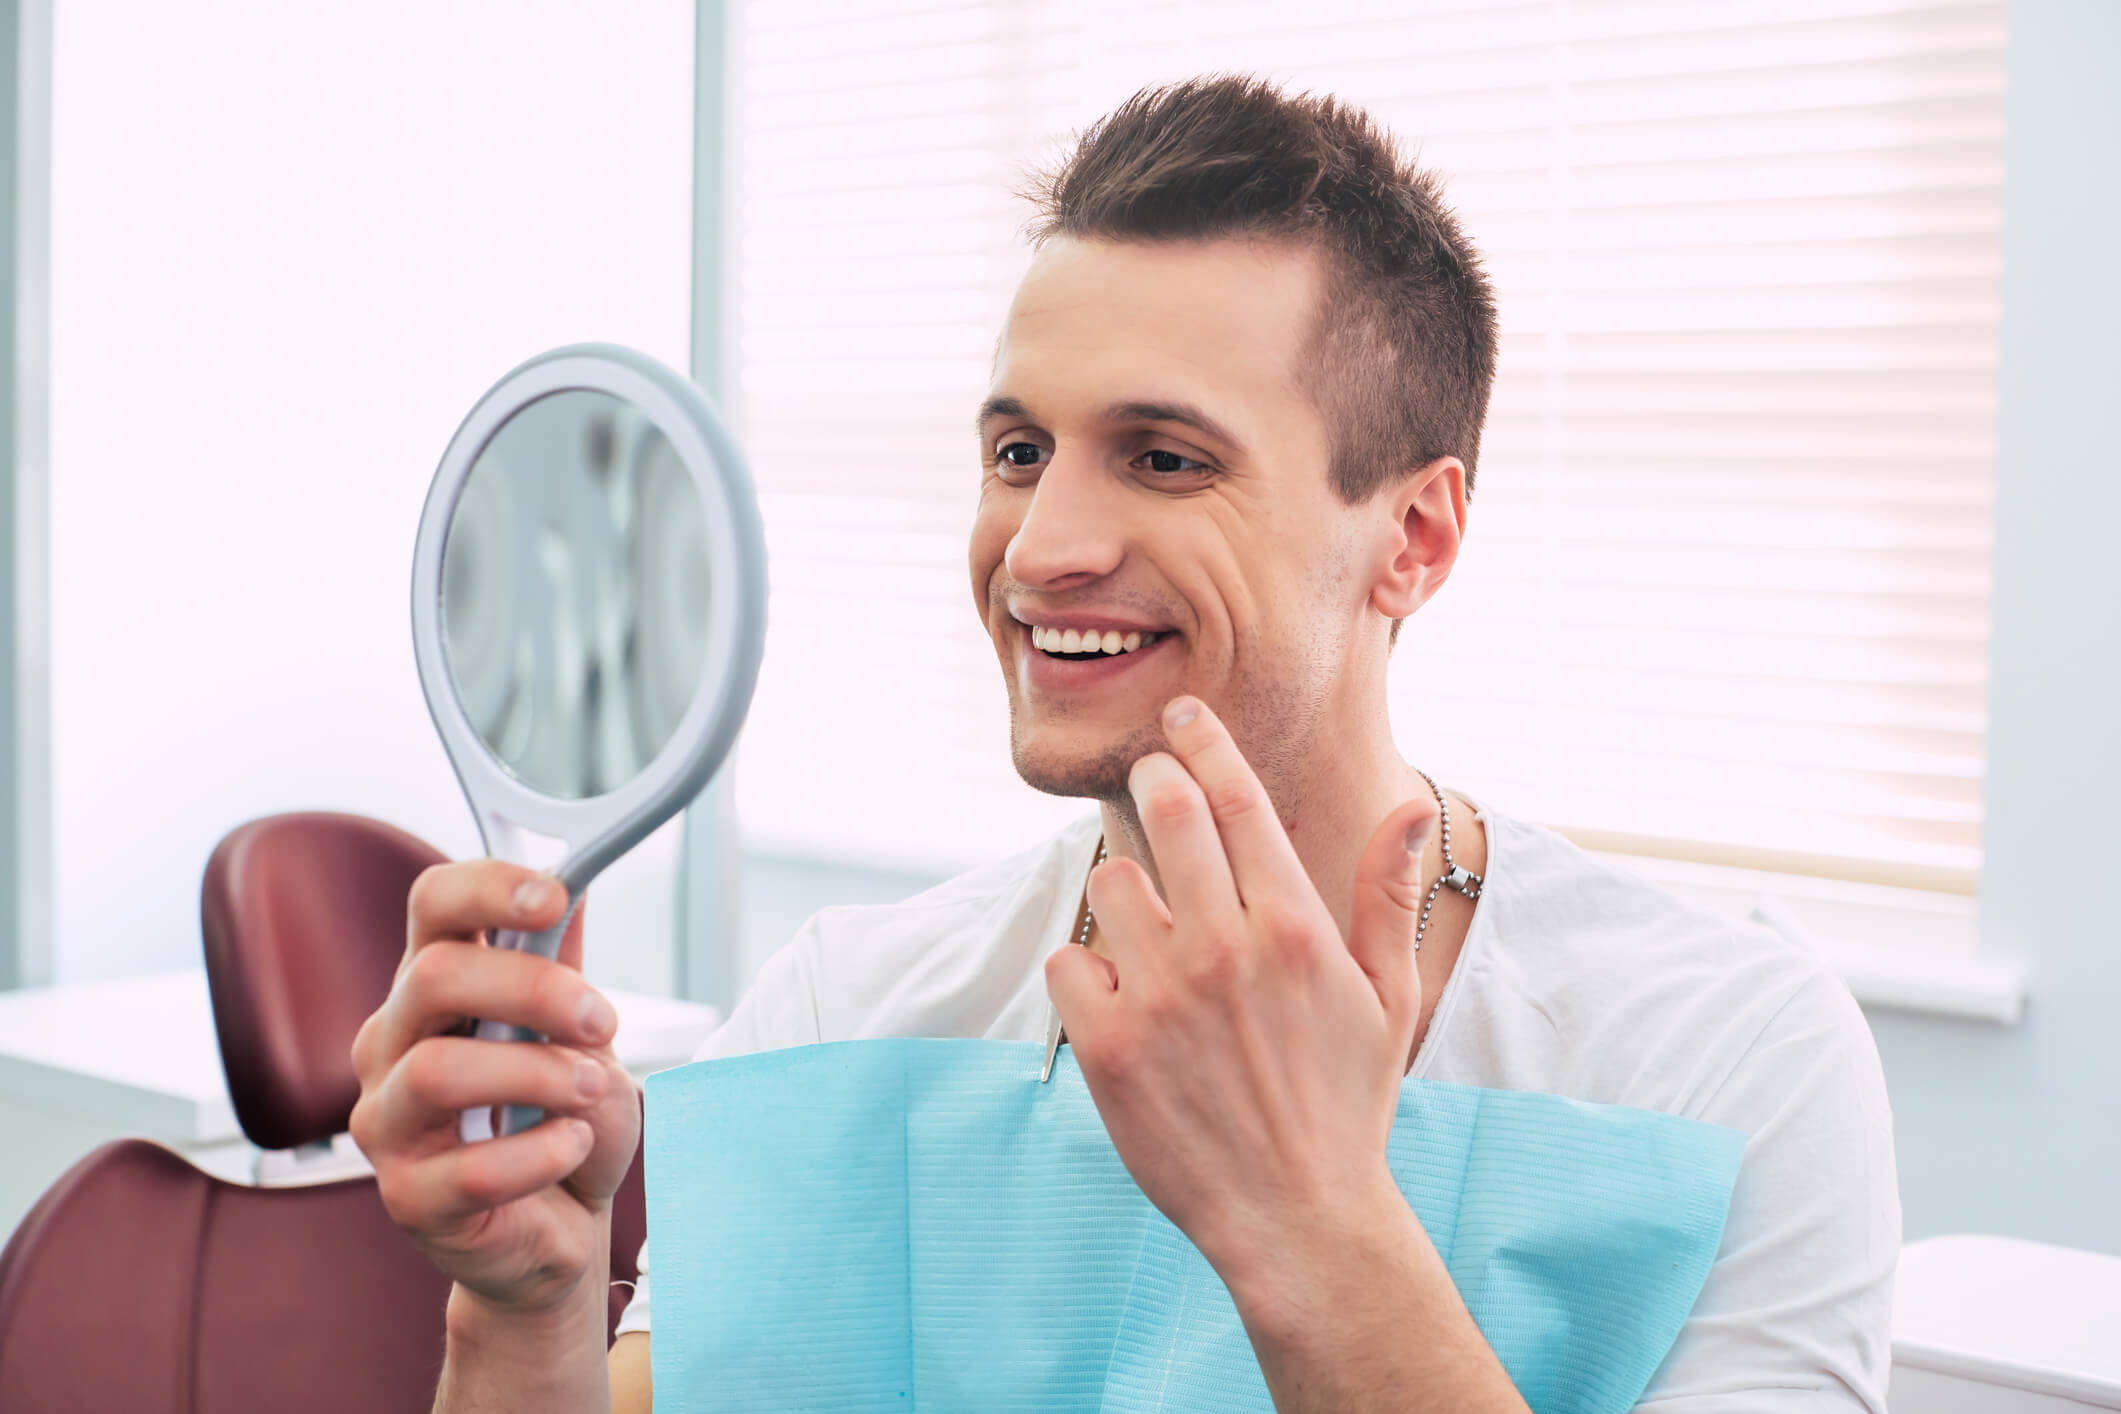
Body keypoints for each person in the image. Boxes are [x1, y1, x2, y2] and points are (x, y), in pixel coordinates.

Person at [351, 76, 1899, 1412]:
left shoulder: (1725, 1060)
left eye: (1162, 457)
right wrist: (519, 1311)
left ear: (1413, 536)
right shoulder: (844, 1011)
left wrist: (1316, 1223)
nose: (1039, 550)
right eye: (1017, 450)